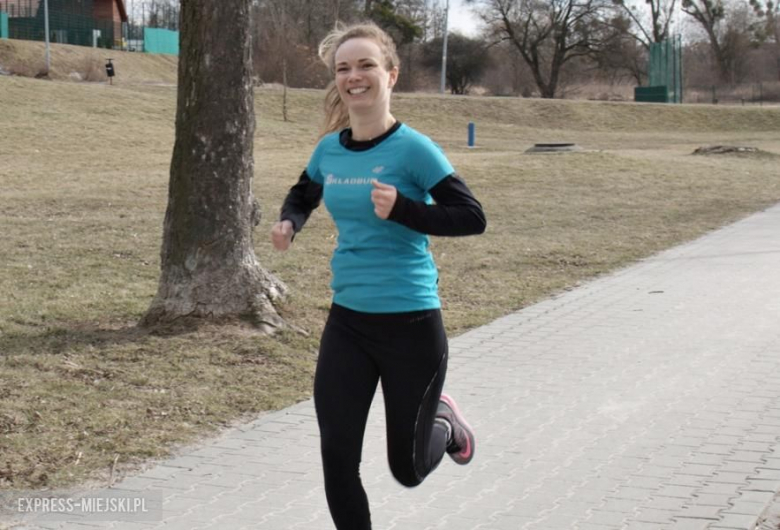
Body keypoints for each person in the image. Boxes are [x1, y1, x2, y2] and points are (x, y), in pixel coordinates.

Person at [270, 22, 487, 530]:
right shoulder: (330, 150)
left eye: (366, 65)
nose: (354, 76)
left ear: (391, 75)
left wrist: (405, 210)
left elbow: (472, 217)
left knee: (407, 469)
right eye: (343, 68)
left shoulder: (414, 149)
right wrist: (290, 222)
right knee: (337, 456)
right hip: (348, 323)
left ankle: (445, 423)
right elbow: (304, 192)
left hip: (411, 325)